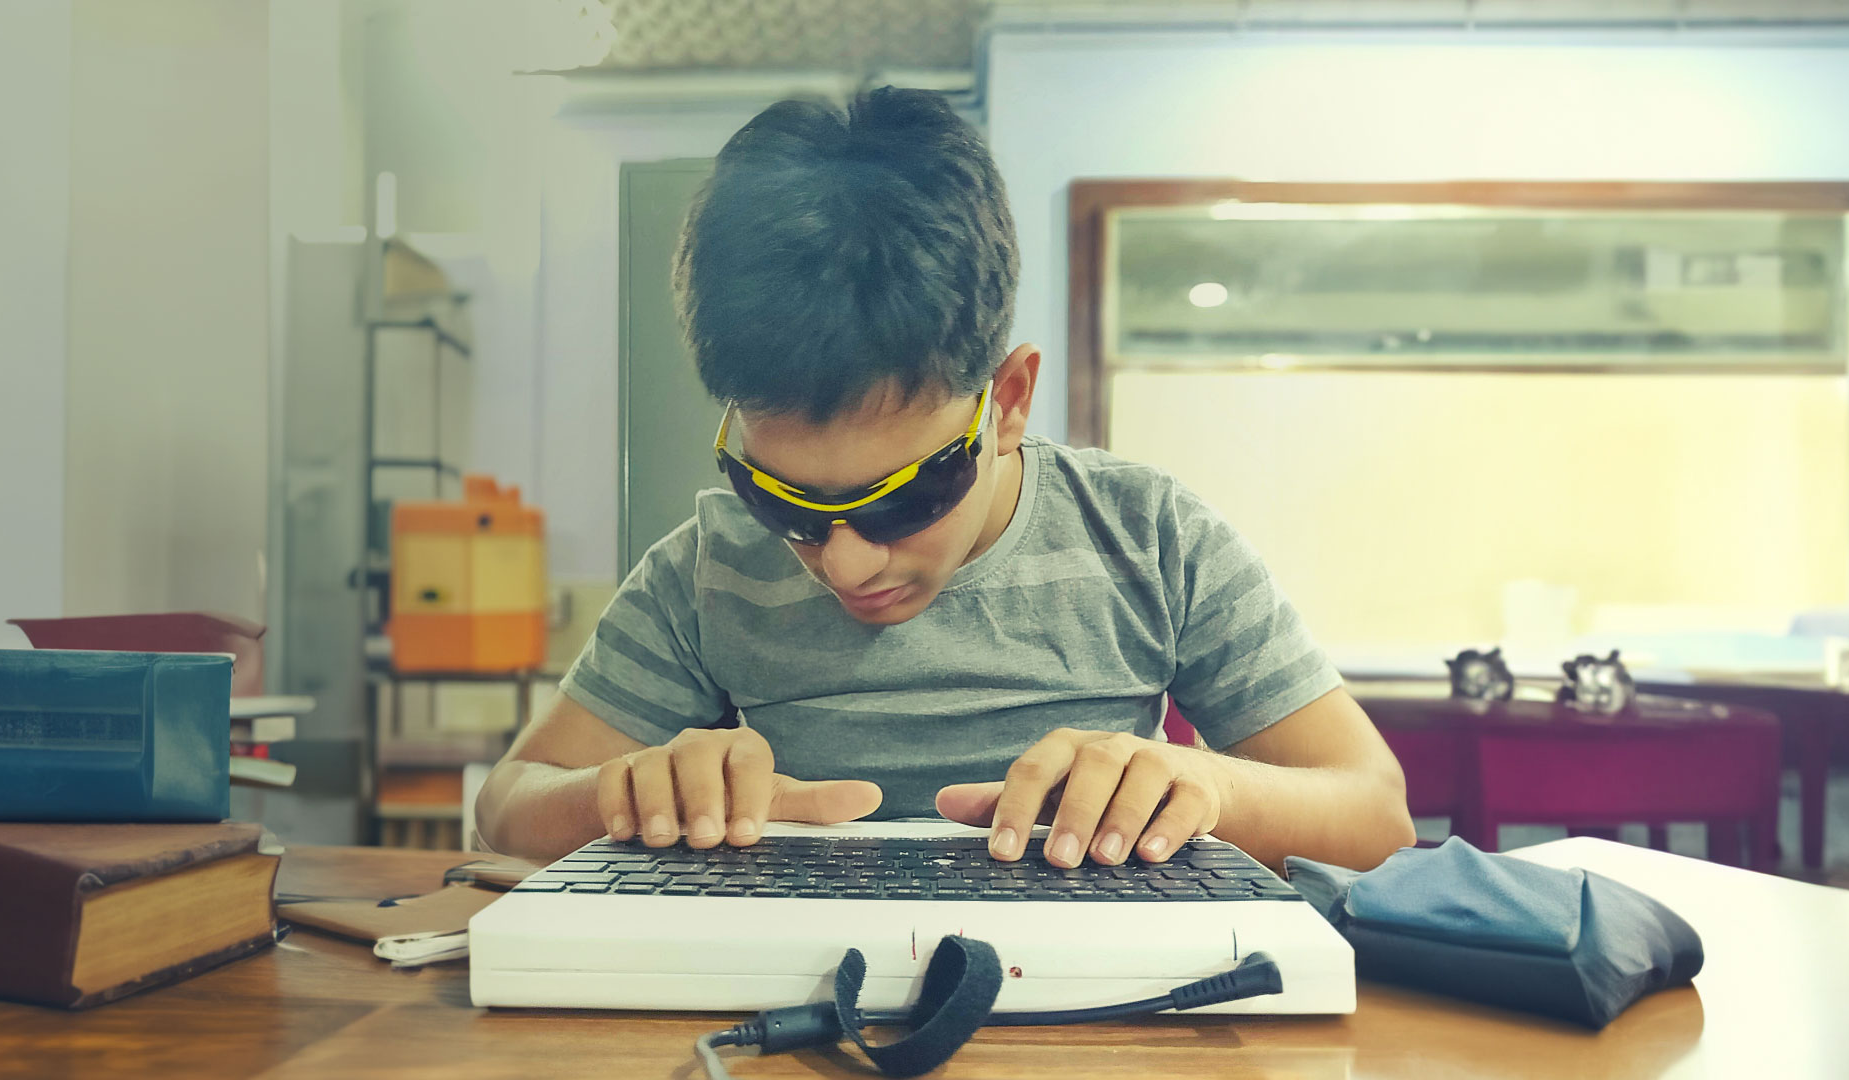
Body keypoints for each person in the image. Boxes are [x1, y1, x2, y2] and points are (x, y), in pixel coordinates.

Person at [476, 87, 1415, 871]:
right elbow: (509, 804)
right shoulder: (707, 571)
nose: (843, 563)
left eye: (905, 499)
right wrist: (625, 792)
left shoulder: (1148, 536)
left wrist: (1208, 787)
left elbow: (1375, 816)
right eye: (782, 501)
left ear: (1007, 401)